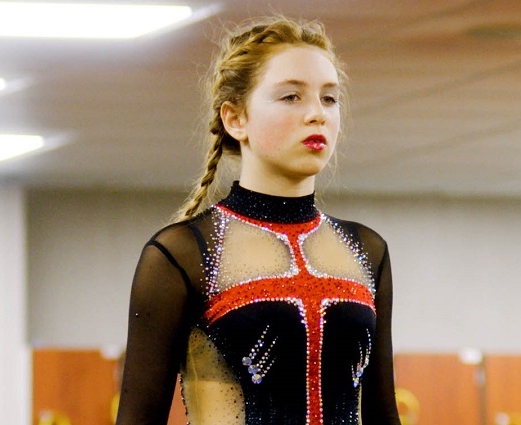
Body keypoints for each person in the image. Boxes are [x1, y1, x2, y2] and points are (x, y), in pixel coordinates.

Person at [115, 16, 402, 425]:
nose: (317, 114)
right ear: (236, 119)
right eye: (291, 97)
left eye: (329, 98)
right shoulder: (184, 254)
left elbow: (383, 413)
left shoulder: (366, 250)